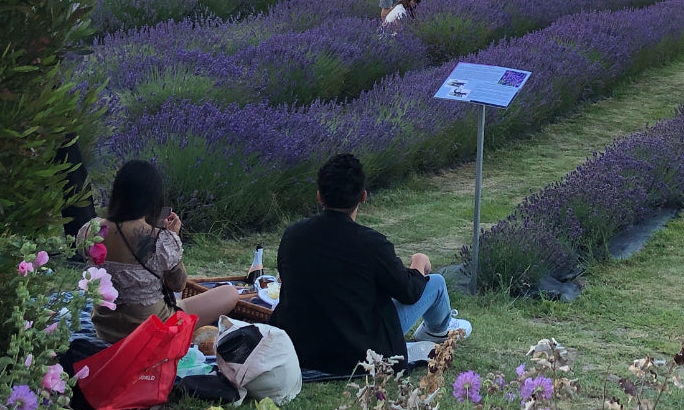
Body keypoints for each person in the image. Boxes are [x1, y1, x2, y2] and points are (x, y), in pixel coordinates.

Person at [271, 154, 471, 376]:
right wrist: (418, 264)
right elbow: (409, 292)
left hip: (302, 346)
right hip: (357, 347)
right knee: (435, 283)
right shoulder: (371, 243)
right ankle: (439, 330)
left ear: (319, 196)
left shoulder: (293, 235)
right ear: (363, 197)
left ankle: (439, 329)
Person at [77, 161, 239, 344]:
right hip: (153, 329)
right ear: (153, 198)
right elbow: (178, 284)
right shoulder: (161, 239)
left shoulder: (89, 230)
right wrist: (172, 239)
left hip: (106, 328)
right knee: (229, 293)